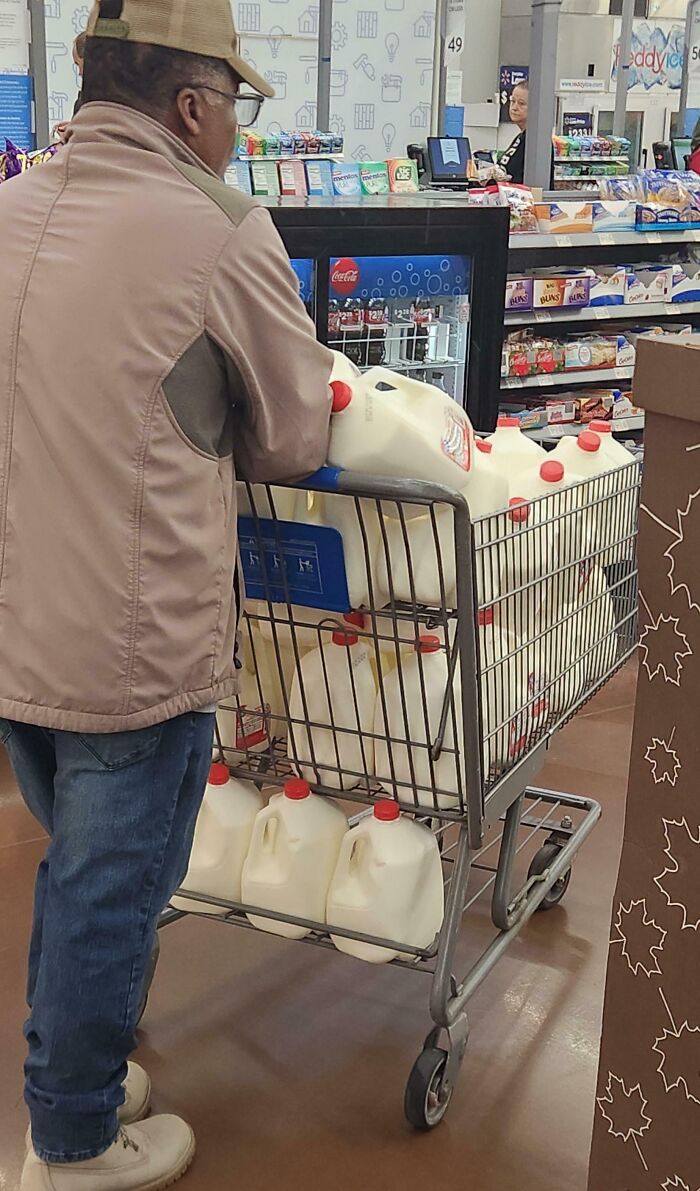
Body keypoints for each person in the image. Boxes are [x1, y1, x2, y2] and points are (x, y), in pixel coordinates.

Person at [0, 1, 333, 1188]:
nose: (236, 129)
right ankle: (73, 1140)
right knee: (111, 885)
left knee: (75, 866)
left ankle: (71, 1077)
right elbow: (293, 436)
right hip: (130, 635)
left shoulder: (11, 206)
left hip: (18, 621)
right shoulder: (218, 229)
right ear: (192, 104)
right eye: (236, 104)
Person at [53, 32, 87, 142]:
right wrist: (74, 129)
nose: (79, 73)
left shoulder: (90, 101)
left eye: (78, 64)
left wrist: (75, 132)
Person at [500, 79, 529, 184]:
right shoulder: (520, 137)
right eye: (513, 101)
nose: (514, 108)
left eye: (521, 103)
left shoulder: (535, 141)